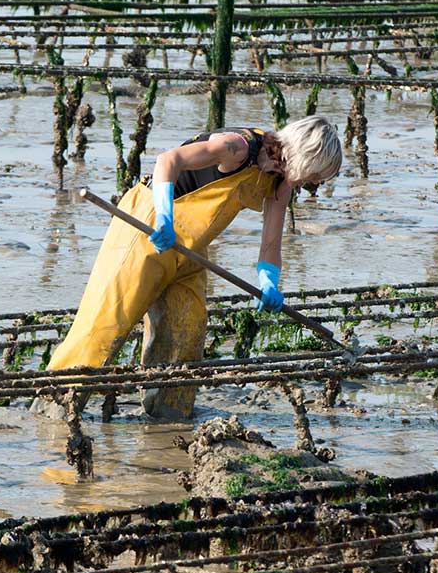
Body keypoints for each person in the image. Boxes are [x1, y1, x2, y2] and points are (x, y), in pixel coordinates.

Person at [34, 115, 342, 419]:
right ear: (307, 155)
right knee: (105, 325)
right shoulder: (238, 147)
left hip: (190, 248)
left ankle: (168, 419)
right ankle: (54, 408)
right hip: (147, 228)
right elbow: (168, 160)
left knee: (186, 331)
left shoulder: (280, 182)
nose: (316, 182)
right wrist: (164, 217)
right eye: (318, 174)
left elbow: (270, 245)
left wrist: (269, 282)